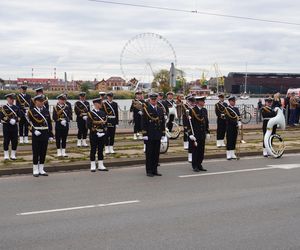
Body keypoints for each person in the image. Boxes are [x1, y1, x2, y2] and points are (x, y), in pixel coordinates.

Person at [27, 95, 53, 177]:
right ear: (35, 102)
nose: (42, 103)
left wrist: (50, 134)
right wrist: (33, 131)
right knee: (36, 152)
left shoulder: (46, 111)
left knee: (43, 151)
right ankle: (35, 169)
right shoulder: (31, 111)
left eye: (42, 101)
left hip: (45, 133)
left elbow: (49, 123)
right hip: (36, 134)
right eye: (40, 101)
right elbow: (28, 123)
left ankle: (41, 169)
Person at [142, 93, 166, 177]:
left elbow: (162, 122)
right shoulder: (146, 109)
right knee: (149, 154)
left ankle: (155, 170)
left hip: (157, 134)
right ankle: (149, 170)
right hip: (149, 134)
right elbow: (144, 122)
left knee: (156, 153)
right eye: (152, 99)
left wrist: (163, 133)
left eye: (155, 99)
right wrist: (144, 133)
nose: (154, 101)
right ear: (149, 100)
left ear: (157, 100)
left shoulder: (160, 109)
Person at [188, 96, 210, 172]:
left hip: (202, 134)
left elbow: (206, 122)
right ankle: (195, 166)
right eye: (203, 101)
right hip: (195, 134)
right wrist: (190, 133)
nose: (204, 102)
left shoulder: (204, 110)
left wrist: (207, 132)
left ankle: (199, 164)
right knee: (195, 151)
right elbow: (189, 123)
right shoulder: (192, 110)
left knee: (201, 150)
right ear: (198, 102)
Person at [87, 98, 108, 172]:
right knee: (93, 149)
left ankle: (100, 164)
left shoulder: (103, 113)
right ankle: (92, 165)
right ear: (96, 104)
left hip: (102, 134)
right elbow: (89, 125)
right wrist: (96, 132)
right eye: (100, 103)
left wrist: (104, 132)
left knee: (101, 149)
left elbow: (105, 124)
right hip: (94, 134)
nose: (101, 104)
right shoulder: (90, 113)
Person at [0, 93, 22, 160]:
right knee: (6, 140)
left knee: (14, 141)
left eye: (13, 99)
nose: (12, 100)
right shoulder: (3, 108)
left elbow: (19, 117)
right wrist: (9, 120)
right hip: (6, 126)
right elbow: (1, 116)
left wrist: (15, 120)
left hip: (14, 126)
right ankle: (6, 155)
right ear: (7, 99)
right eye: (10, 99)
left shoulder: (16, 108)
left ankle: (13, 155)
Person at [224, 96, 241, 160]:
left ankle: (232, 153)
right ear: (229, 101)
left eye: (234, 101)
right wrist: (236, 123)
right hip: (230, 127)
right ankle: (228, 154)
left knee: (234, 140)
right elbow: (229, 119)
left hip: (235, 127)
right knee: (229, 140)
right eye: (233, 101)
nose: (234, 102)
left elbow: (239, 116)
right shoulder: (227, 109)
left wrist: (239, 122)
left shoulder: (236, 109)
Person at [182, 95, 195, 163]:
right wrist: (185, 126)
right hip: (188, 126)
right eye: (190, 101)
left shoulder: (195, 108)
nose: (192, 103)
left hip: (195, 127)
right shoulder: (186, 108)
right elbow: (185, 117)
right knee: (190, 142)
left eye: (193, 101)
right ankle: (190, 156)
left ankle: (195, 156)